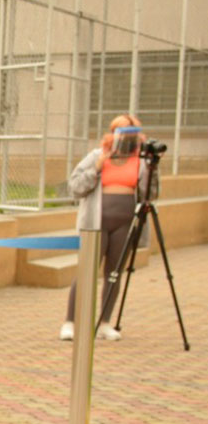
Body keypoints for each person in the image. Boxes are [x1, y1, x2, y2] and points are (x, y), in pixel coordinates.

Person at [59, 114, 156, 342]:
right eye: (123, 133)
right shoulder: (97, 156)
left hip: (125, 224)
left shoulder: (141, 161)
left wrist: (153, 168)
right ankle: (70, 322)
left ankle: (104, 322)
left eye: (133, 134)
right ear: (113, 134)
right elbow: (75, 187)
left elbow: (151, 195)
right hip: (96, 223)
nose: (128, 139)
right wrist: (97, 169)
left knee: (114, 273)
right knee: (87, 271)